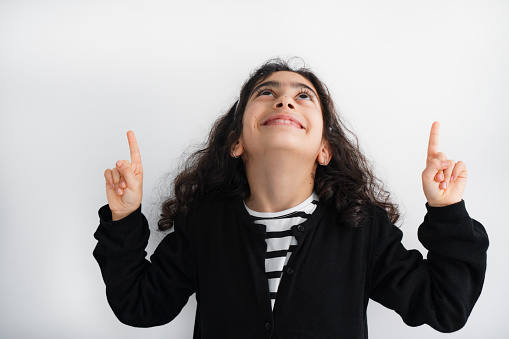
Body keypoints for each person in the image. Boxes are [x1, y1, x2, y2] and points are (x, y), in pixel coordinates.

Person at [93, 59, 489, 338]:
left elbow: (444, 306)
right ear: (236, 142)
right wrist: (124, 217)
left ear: (325, 150)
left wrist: (446, 210)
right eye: (267, 92)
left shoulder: (361, 227)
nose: (285, 100)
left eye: (304, 97)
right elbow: (140, 306)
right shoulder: (204, 225)